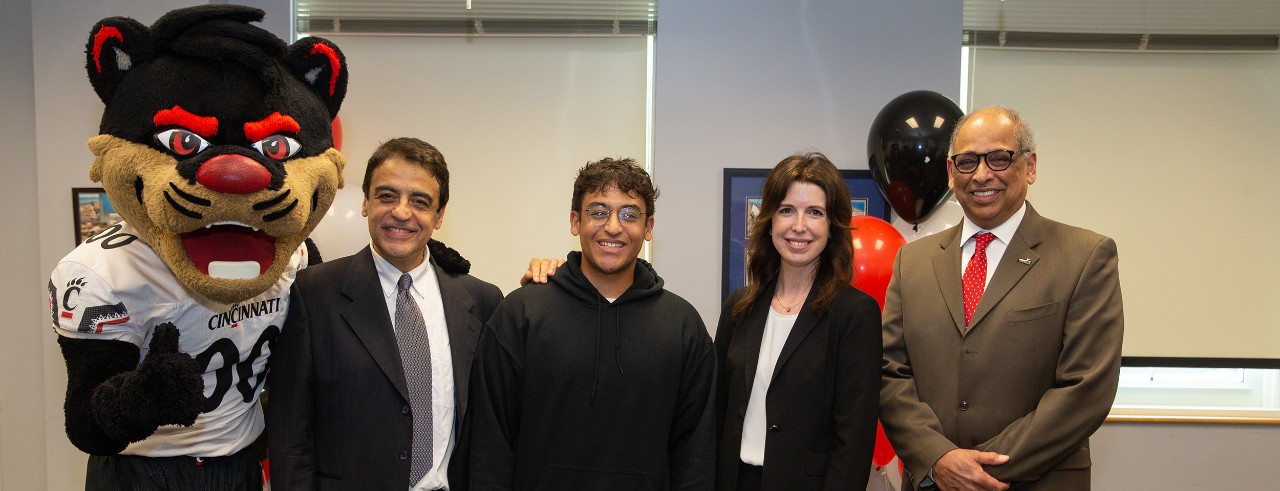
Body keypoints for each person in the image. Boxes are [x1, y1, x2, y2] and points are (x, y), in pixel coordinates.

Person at [879, 107, 1123, 490]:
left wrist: (978, 473)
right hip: (933, 481)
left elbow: (1085, 388)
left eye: (998, 158)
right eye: (966, 162)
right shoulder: (912, 261)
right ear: (950, 172)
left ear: (1030, 167)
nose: (981, 174)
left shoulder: (1085, 256)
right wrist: (938, 457)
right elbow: (889, 372)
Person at [268, 137, 503, 490]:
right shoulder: (313, 292)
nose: (402, 212)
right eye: (387, 195)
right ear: (366, 202)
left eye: (420, 202)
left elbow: (491, 429)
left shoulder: (480, 300)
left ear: (439, 217)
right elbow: (289, 436)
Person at [469, 157, 715, 490]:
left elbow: (695, 453)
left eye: (629, 214)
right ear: (575, 221)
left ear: (649, 227)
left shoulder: (683, 326)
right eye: (598, 212)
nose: (613, 227)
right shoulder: (521, 314)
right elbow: (489, 445)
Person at [713, 153, 881, 490]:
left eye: (815, 213)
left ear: (833, 225)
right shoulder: (739, 307)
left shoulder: (855, 314)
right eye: (787, 210)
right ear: (770, 220)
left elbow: (854, 440)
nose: (798, 226)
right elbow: (715, 413)